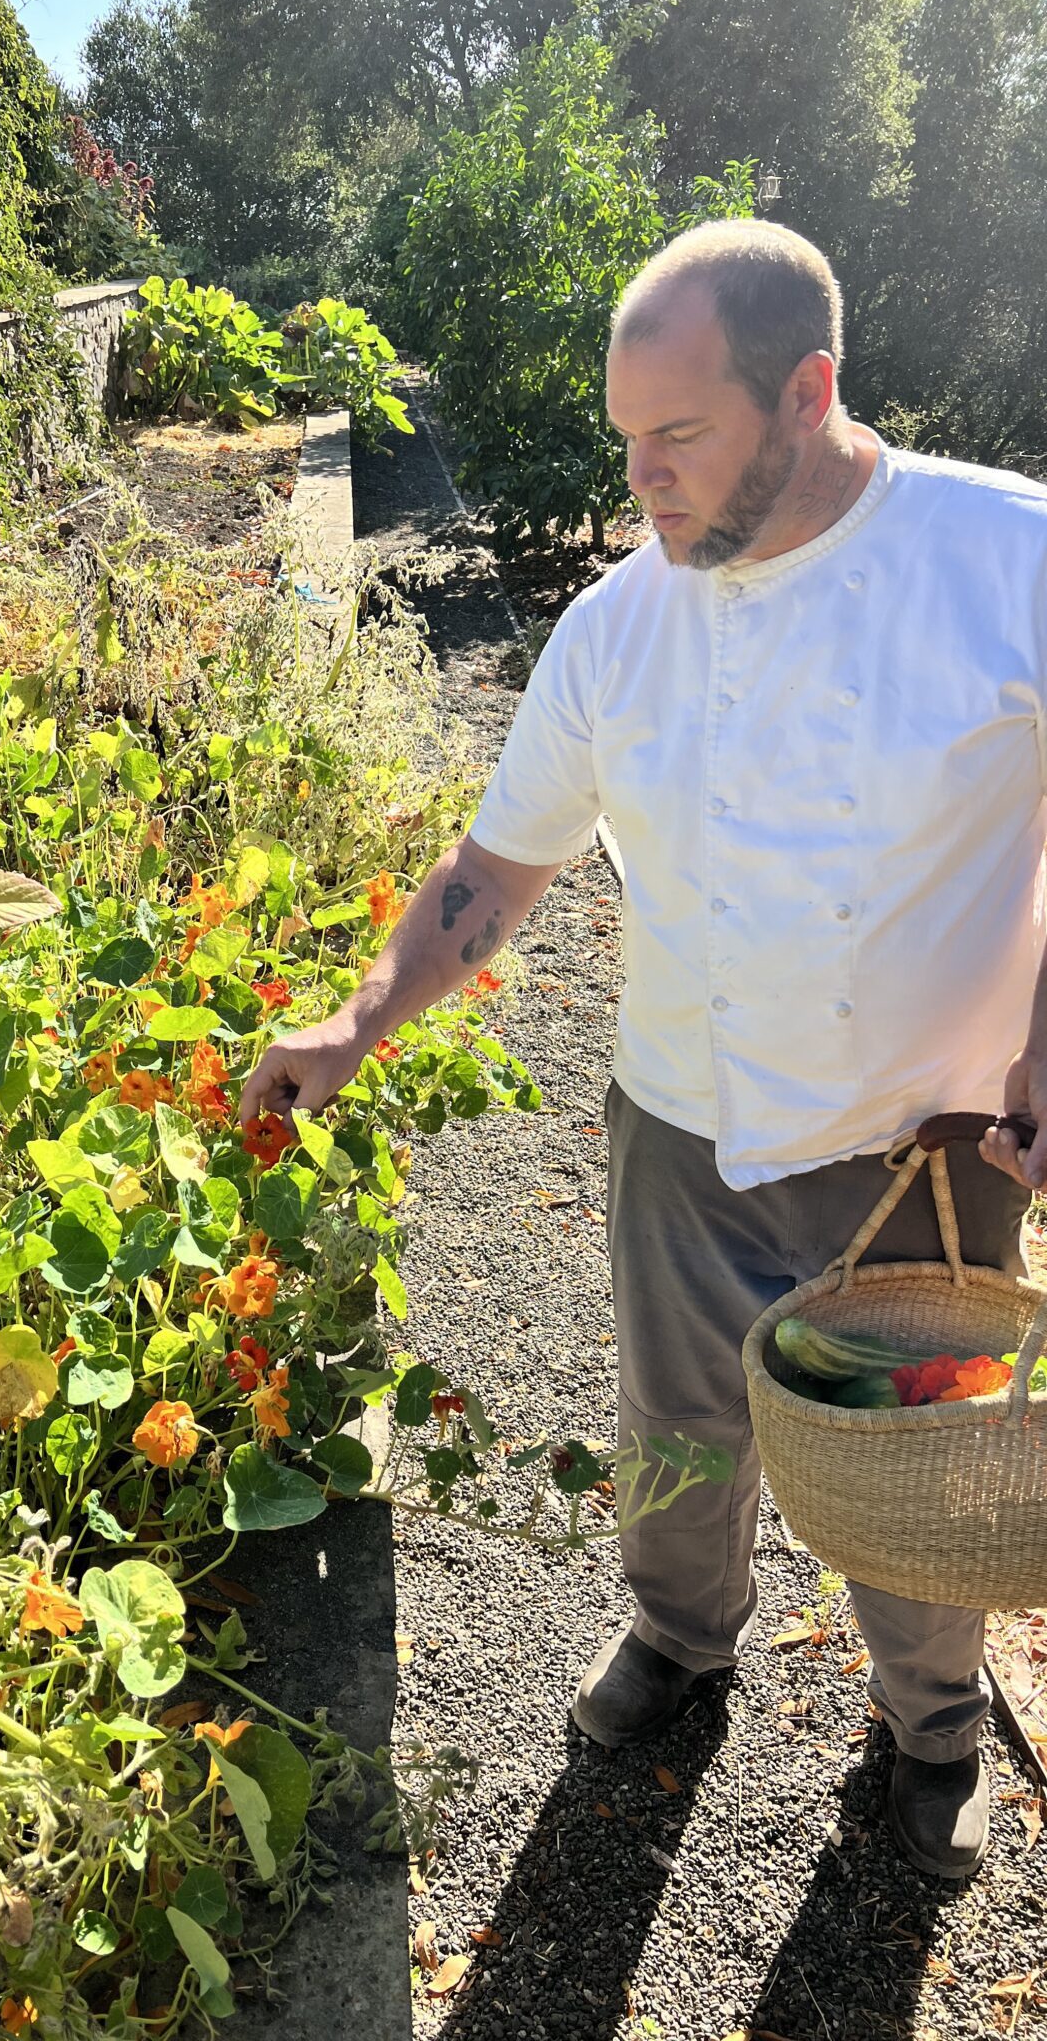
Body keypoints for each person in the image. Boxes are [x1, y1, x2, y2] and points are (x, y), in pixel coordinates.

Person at [238, 217, 1047, 1880]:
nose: (643, 481)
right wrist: (358, 1017)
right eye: (627, 439)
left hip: (929, 1142)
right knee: (676, 1434)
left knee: (925, 1461)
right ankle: (683, 1643)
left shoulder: (1006, 560)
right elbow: (493, 870)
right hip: (681, 1124)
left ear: (808, 391)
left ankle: (932, 1723)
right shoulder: (616, 626)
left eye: (679, 437)